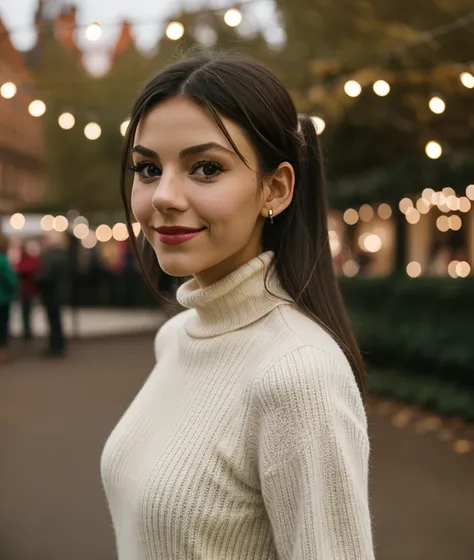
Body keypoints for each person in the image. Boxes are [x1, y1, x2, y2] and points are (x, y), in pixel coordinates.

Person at [101, 51, 375, 559]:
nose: (164, 195)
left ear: (275, 188)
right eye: (147, 168)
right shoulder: (176, 338)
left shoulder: (299, 374)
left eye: (206, 168)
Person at [36, 232, 71, 357]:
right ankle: (58, 345)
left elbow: (45, 275)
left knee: (54, 321)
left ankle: (56, 346)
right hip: (58, 292)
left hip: (51, 293)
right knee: (56, 321)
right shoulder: (63, 255)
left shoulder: (51, 256)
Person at [16, 241, 41, 342]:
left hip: (30, 291)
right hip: (25, 291)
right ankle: (26, 331)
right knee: (25, 313)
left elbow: (26, 270)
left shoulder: (33, 260)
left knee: (28, 312)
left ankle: (28, 332)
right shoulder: (25, 259)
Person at [0, 234, 18, 363]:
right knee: (3, 326)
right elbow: (11, 281)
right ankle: (3, 351)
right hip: (3, 298)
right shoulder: (3, 260)